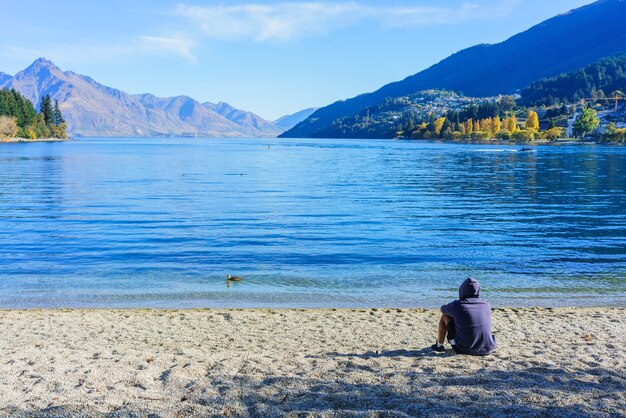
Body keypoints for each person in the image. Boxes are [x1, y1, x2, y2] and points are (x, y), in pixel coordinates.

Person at [431, 277, 496, 355]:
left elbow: (443, 309)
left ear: (462, 290)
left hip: (464, 349)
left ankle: (439, 345)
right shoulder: (486, 304)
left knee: (445, 316)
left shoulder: (458, 305)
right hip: (488, 348)